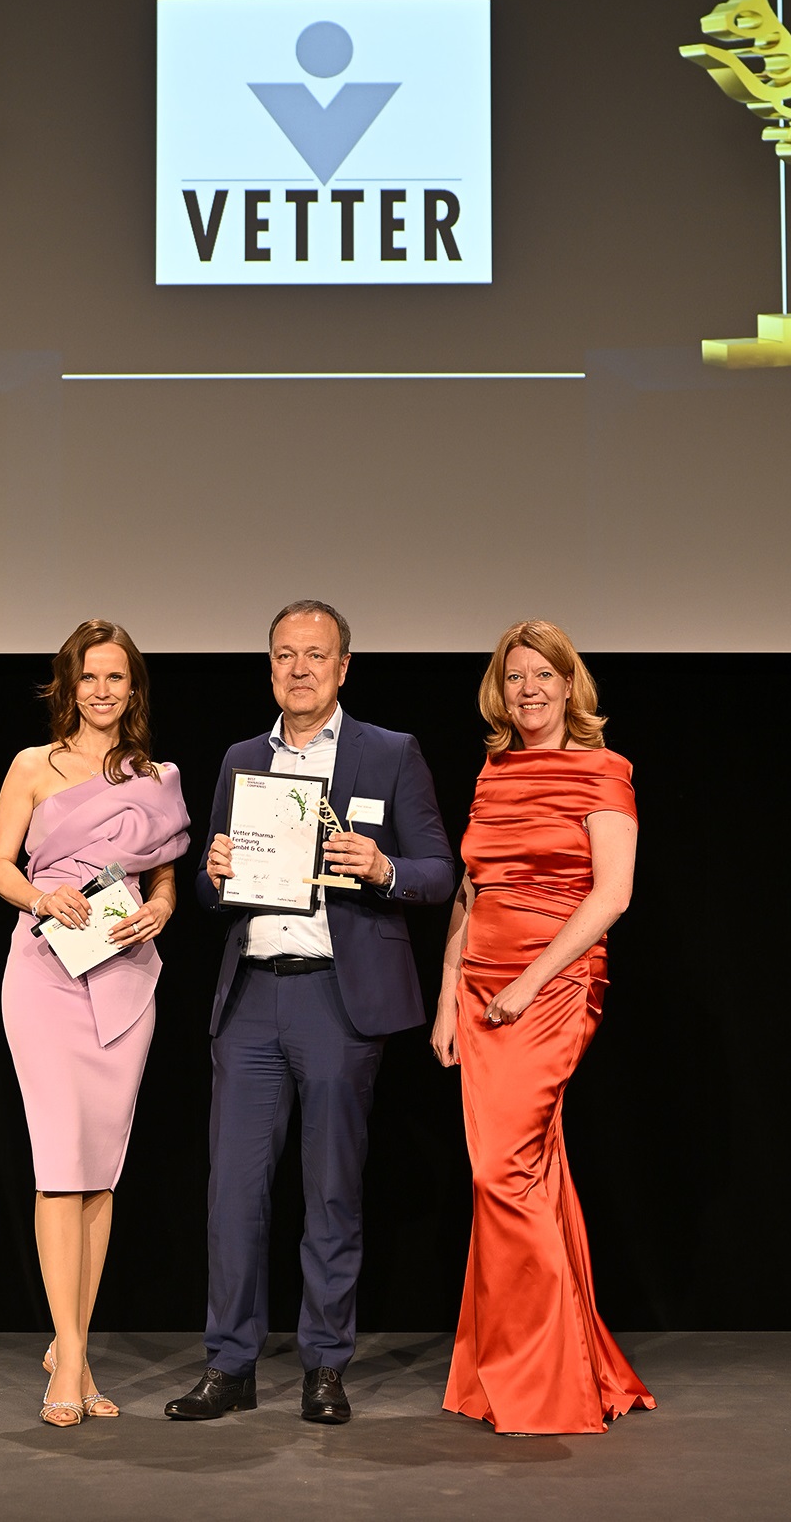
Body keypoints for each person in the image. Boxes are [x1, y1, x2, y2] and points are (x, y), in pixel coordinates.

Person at [164, 600, 455, 1425]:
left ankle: (325, 1366)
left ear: (343, 667)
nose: (298, 668)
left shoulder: (388, 753)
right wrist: (213, 872)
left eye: (314, 655)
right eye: (284, 655)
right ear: (268, 667)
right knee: (234, 1194)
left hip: (337, 997)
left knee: (329, 1194)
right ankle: (229, 1364)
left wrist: (381, 864)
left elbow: (439, 870)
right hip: (253, 996)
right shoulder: (239, 757)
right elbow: (208, 888)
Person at [431, 619, 655, 1436]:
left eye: (542, 676)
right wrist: (448, 996)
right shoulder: (494, 772)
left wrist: (528, 982)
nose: (528, 689)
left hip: (552, 987)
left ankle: (535, 1383)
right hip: (483, 992)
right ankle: (550, 1366)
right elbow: (471, 890)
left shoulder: (603, 770)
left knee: (505, 1175)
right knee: (533, 1175)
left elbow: (612, 895)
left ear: (570, 685)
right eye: (514, 676)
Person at [0, 619, 189, 1427]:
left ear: (133, 689)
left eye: (116, 678)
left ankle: (72, 1346)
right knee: (57, 1162)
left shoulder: (156, 775)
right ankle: (68, 1358)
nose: (102, 691)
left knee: (100, 1169)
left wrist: (162, 910)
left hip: (122, 974)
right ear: (66, 686)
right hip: (44, 974)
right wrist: (41, 896)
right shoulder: (32, 767)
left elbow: (166, 874)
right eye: (88, 677)